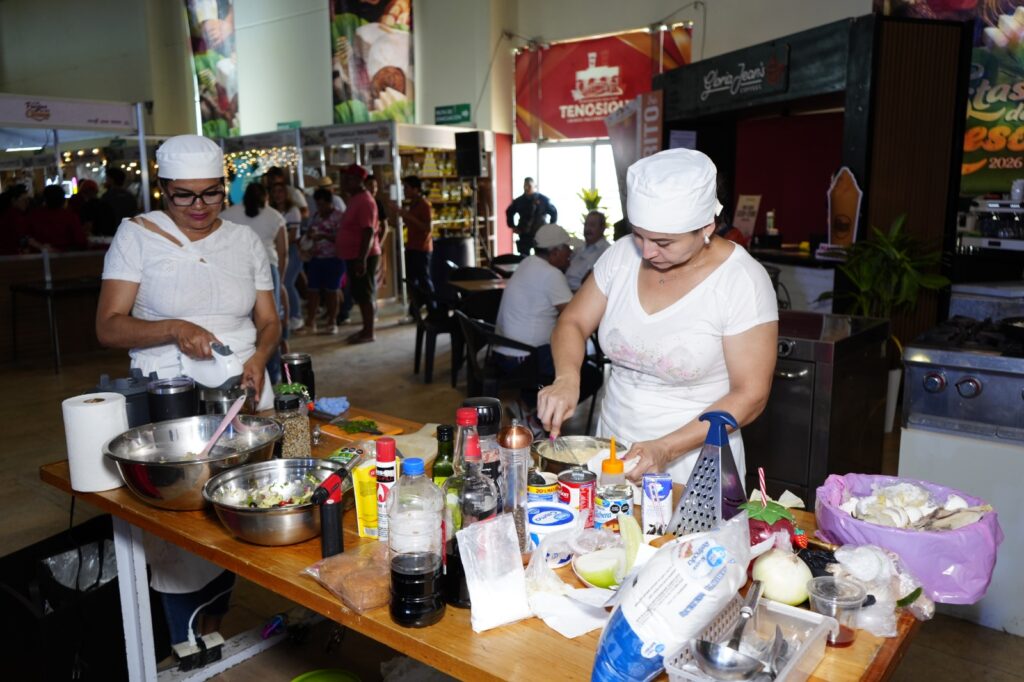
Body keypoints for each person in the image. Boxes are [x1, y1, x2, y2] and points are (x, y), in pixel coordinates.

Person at [95, 134, 280, 651]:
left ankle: (216, 619)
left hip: (243, 388)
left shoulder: (244, 240)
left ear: (225, 186)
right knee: (183, 523)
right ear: (163, 189)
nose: (199, 206)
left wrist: (259, 358)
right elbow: (108, 326)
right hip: (171, 397)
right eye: (184, 195)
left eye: (211, 193)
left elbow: (268, 321)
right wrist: (175, 328)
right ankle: (187, 638)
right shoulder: (137, 235)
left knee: (243, 506)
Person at [537, 148, 778, 486]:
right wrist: (566, 378)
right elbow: (572, 322)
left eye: (664, 242)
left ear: (707, 227)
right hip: (613, 446)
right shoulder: (622, 256)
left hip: (694, 459)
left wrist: (666, 448)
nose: (647, 251)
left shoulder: (741, 281)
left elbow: (751, 395)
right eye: (639, 234)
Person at [222, 183, 287, 381]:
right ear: (265, 196)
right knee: (269, 325)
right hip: (268, 270)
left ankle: (241, 372)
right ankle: (272, 375)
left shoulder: (228, 214)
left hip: (236, 271)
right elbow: (283, 251)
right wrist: (280, 279)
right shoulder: (274, 216)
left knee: (242, 324)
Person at [494, 223, 575, 381]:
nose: (571, 253)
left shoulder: (527, 263)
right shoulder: (552, 274)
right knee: (587, 373)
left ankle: (530, 397)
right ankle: (535, 397)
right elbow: (575, 315)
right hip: (525, 358)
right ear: (555, 252)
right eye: (568, 248)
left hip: (504, 354)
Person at [335, 164, 380, 344]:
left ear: (359, 180)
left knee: (365, 293)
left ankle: (369, 332)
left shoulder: (365, 201)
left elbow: (368, 231)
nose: (344, 183)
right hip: (354, 255)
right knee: (360, 294)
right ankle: (365, 328)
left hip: (362, 255)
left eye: (348, 179)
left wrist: (361, 259)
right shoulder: (355, 198)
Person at [303, 188, 346, 335]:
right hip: (316, 257)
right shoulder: (316, 216)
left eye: (322, 204)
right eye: (317, 204)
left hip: (334, 258)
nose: (320, 207)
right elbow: (310, 230)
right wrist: (310, 235)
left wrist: (323, 236)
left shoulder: (339, 217)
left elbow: (342, 238)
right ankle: (311, 321)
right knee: (312, 290)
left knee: (331, 291)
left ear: (330, 203)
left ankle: (332, 321)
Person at [391, 175, 432, 314]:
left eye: (406, 188)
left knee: (424, 280)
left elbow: (427, 227)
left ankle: (433, 309)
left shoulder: (424, 205)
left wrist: (407, 216)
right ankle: (415, 309)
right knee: (412, 281)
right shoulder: (413, 204)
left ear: (416, 189)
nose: (404, 191)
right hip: (412, 246)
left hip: (422, 248)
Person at [270, 181, 305, 333]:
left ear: (286, 193)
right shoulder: (272, 211)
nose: (277, 195)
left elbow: (291, 236)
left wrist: (275, 243)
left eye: (280, 191)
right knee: (281, 284)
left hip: (291, 250)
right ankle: (286, 315)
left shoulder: (293, 210)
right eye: (275, 192)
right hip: (277, 250)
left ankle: (296, 316)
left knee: (287, 283)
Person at [26, 185, 87, 252]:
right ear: (63, 200)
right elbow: (81, 242)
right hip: (66, 256)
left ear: (45, 199)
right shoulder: (70, 217)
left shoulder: (34, 216)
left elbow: (28, 238)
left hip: (39, 256)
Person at [505, 177, 557, 255]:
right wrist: (512, 226)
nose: (527, 188)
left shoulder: (543, 200)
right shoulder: (519, 201)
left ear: (534, 186)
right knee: (524, 257)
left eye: (529, 186)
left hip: (540, 232)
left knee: (541, 256)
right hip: (524, 233)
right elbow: (509, 212)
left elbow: (553, 212)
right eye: (525, 186)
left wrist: (550, 226)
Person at [565, 210, 611, 291]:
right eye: (586, 225)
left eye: (592, 225)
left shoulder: (606, 252)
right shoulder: (579, 248)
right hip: (564, 290)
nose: (587, 229)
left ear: (602, 228)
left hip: (581, 293)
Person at [0, 184, 30, 255]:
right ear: (13, 200)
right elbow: (21, 236)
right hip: (10, 254)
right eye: (23, 200)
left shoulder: (7, 213)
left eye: (27, 200)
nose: (27, 203)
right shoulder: (14, 215)